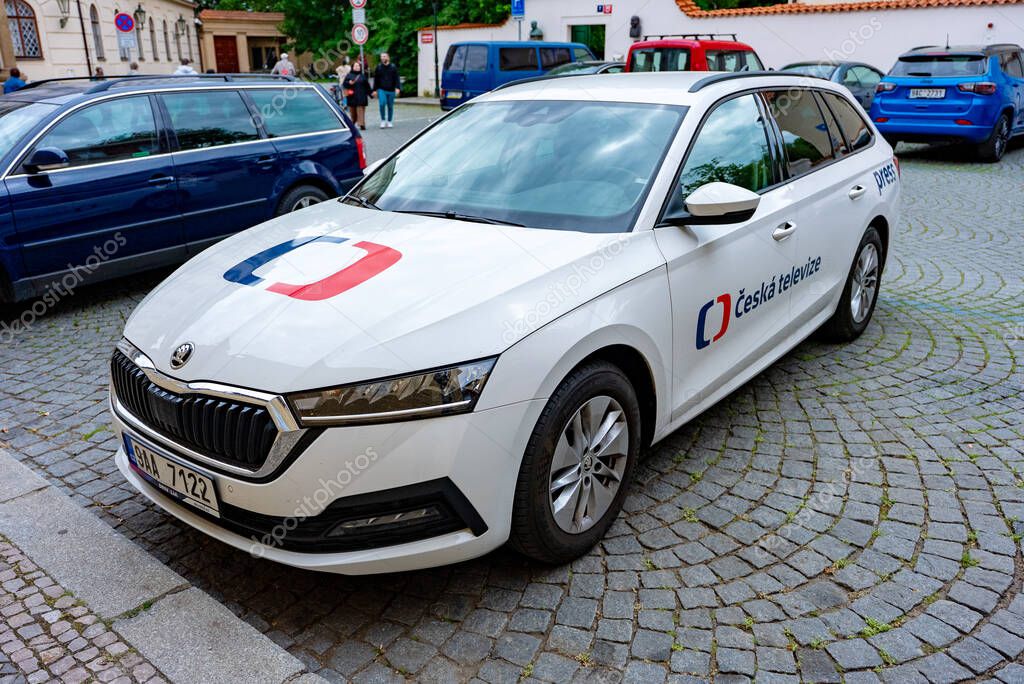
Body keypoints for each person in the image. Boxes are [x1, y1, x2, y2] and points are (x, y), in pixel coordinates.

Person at [372, 52, 400, 128]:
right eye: (381, 57)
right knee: (382, 104)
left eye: (384, 56)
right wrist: (374, 90)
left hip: (391, 90)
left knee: (390, 106)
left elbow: (397, 78)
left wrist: (398, 88)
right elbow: (376, 79)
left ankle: (390, 121)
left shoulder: (393, 67)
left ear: (388, 57)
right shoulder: (379, 67)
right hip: (382, 89)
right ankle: (383, 120)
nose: (383, 58)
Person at [342, 60, 371, 130]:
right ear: (353, 67)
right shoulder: (349, 75)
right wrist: (349, 82)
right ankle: (352, 123)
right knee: (353, 113)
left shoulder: (363, 76)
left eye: (358, 66)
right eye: (356, 66)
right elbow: (344, 84)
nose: (357, 67)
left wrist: (371, 94)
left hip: (361, 96)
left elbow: (367, 86)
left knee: (360, 110)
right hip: (352, 97)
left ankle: (362, 124)